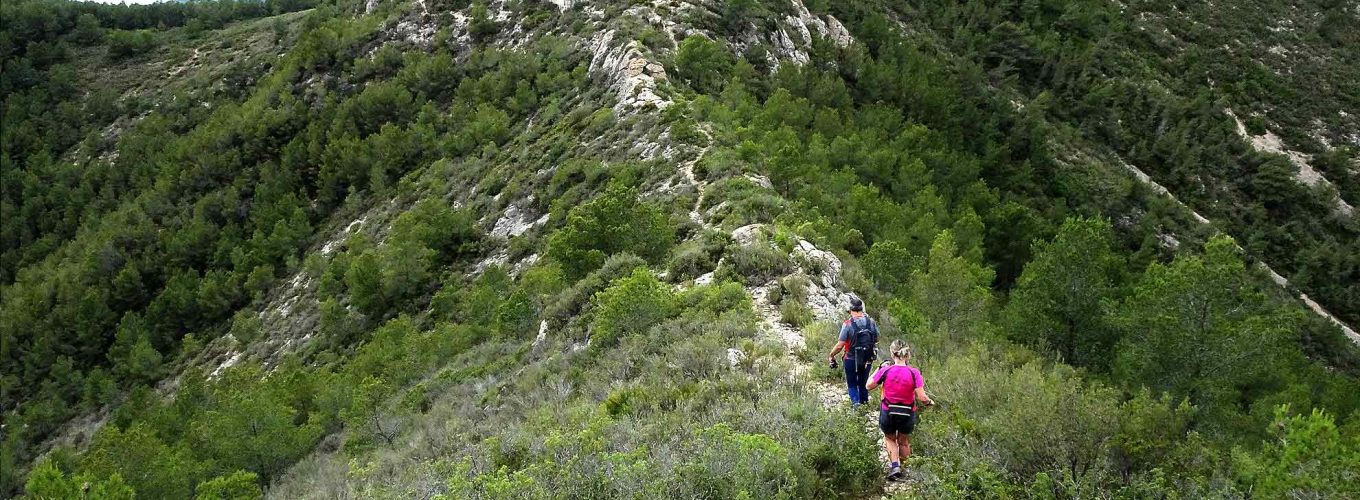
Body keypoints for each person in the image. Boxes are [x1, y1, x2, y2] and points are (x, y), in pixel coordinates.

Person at [866, 339, 932, 481]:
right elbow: (922, 397)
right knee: (904, 441)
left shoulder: (886, 370)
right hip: (907, 413)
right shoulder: (914, 373)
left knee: (890, 439)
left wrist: (879, 368)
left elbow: (868, 386)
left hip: (888, 411)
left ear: (892, 353)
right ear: (908, 355)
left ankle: (895, 466)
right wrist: (929, 402)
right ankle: (906, 469)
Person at [827, 297, 878, 406]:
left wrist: (831, 355)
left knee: (852, 384)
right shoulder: (871, 322)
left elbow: (840, 345)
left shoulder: (848, 324)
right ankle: (864, 406)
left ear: (851, 310)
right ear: (861, 310)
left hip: (851, 359)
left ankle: (856, 405)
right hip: (867, 359)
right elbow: (877, 338)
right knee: (863, 384)